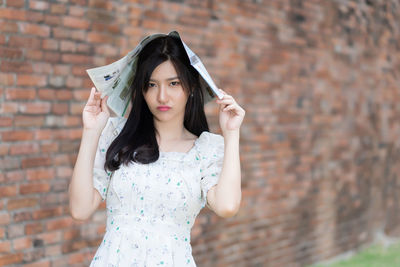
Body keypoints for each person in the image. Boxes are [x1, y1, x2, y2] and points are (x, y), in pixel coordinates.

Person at [68, 33, 245, 266]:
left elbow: (227, 206)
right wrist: (91, 132)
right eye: (152, 85)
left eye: (173, 83)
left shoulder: (206, 149)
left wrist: (231, 133)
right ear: (141, 90)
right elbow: (80, 210)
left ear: (191, 86)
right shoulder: (116, 135)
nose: (162, 96)